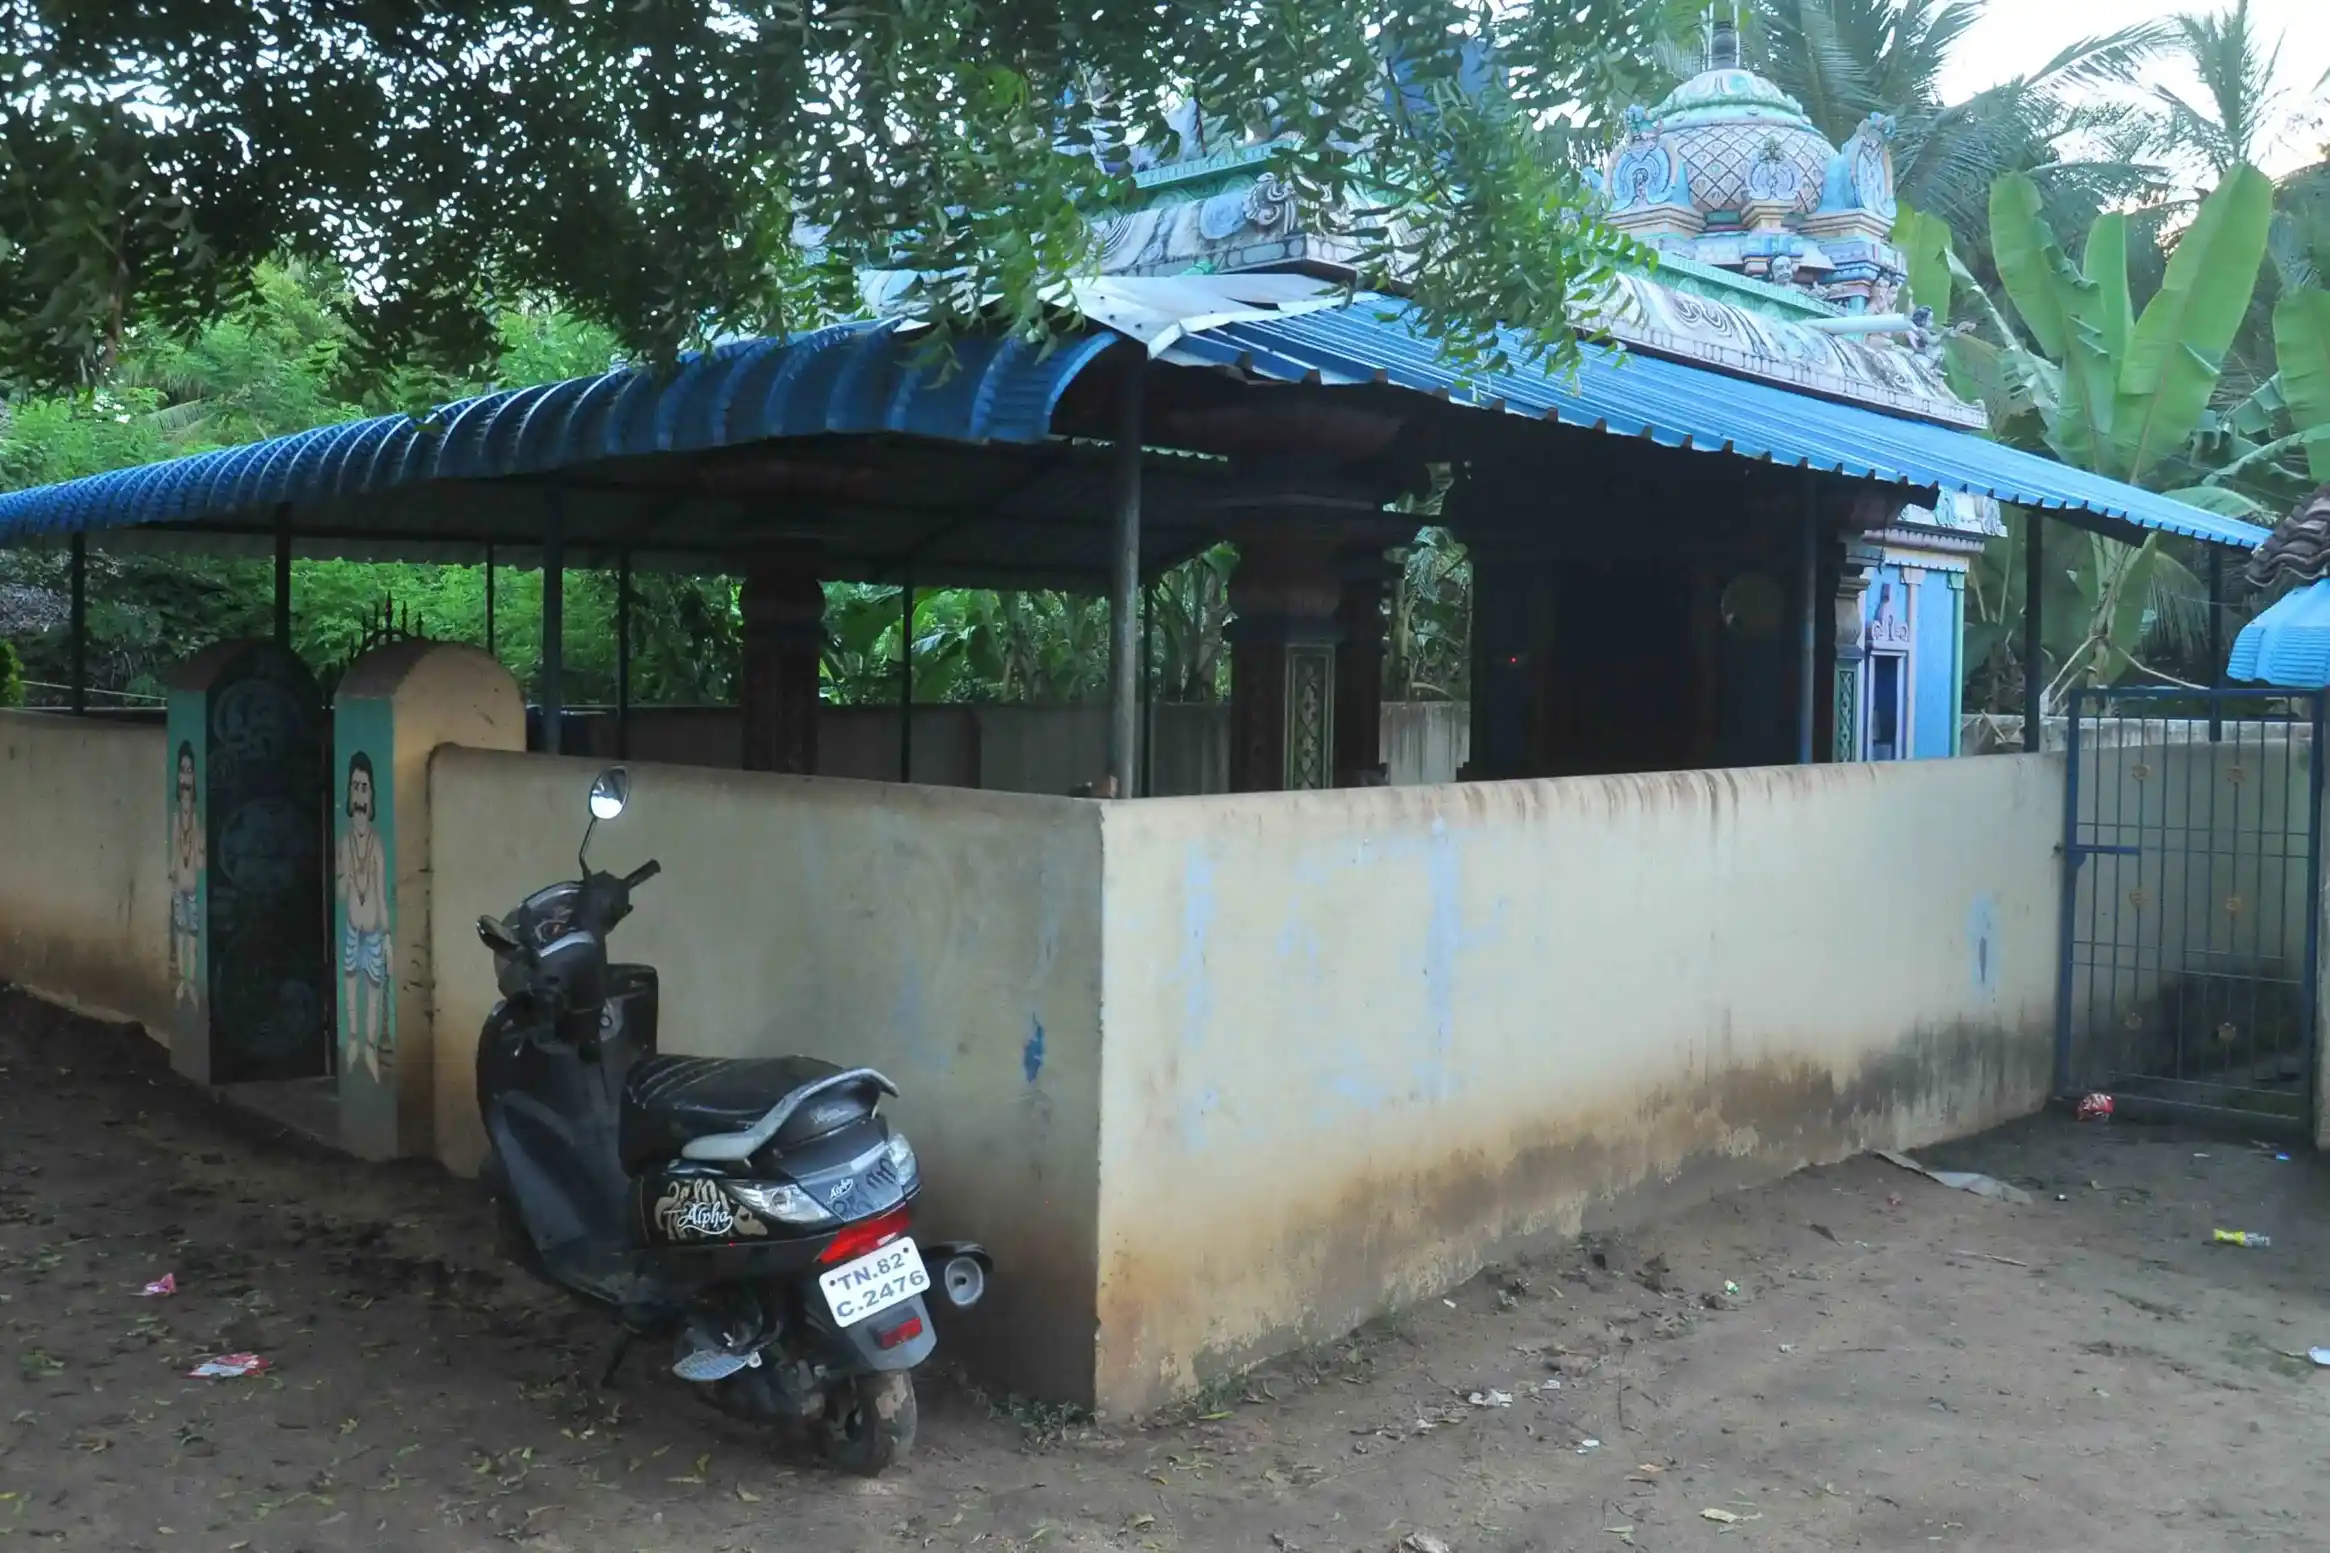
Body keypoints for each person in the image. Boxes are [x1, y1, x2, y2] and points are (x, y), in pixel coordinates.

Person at [337, 750, 393, 1079]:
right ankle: (355, 1041)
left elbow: (382, 895)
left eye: (365, 788)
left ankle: (369, 1047)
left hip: (372, 930)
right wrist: (345, 876)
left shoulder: (378, 846)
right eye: (355, 787)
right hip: (351, 929)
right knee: (350, 987)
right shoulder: (345, 843)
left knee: (373, 992)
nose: (360, 794)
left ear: (372, 796)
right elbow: (343, 891)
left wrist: (387, 937)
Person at [168, 742, 204, 1008]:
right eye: (182, 770)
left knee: (193, 934)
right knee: (181, 933)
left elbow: (201, 858)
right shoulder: (175, 818)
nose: (185, 776)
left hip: (192, 883)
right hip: (179, 883)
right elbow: (173, 855)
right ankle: (183, 979)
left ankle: (190, 980)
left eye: (189, 770)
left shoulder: (197, 820)